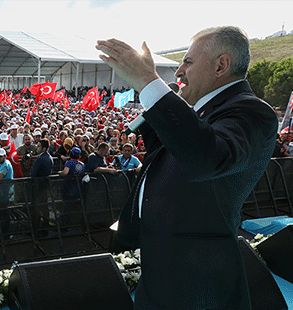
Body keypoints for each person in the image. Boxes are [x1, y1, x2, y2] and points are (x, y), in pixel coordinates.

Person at [97, 26, 278, 309]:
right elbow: (170, 156)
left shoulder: (252, 112)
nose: (179, 71)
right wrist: (161, 103)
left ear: (221, 65)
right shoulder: (202, 112)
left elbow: (207, 158)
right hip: (165, 269)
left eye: (188, 62)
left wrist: (149, 82)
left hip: (198, 283)